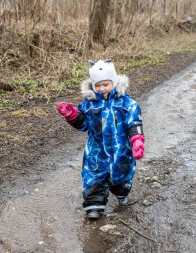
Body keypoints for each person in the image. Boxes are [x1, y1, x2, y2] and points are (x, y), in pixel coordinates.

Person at [57, 59, 145, 219]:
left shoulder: (127, 104)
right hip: (96, 151)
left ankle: (122, 192)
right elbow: (84, 124)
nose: (101, 88)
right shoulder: (89, 104)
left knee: (120, 177)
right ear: (93, 85)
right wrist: (72, 115)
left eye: (106, 84)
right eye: (98, 85)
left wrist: (137, 140)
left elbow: (134, 121)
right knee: (93, 176)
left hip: (120, 150)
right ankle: (94, 205)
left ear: (114, 82)